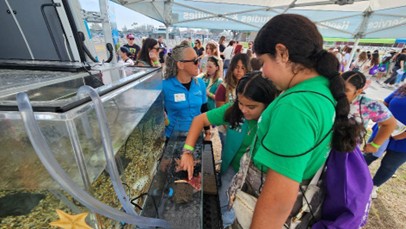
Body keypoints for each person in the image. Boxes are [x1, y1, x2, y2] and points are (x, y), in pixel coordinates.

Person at [249, 14, 363, 228]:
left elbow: (277, 200)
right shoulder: (322, 90)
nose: (263, 73)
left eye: (263, 62)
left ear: (282, 53)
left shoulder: (297, 105)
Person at [179, 72, 280, 227]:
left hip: (260, 179)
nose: (244, 110)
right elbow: (200, 120)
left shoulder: (275, 121)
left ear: (268, 104)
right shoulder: (235, 112)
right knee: (222, 205)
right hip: (233, 169)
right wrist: (187, 151)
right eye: (240, 103)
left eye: (251, 107)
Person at [363, 84, 406, 198]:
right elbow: (386, 103)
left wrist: (403, 134)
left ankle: (374, 186)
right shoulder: (402, 89)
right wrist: (383, 120)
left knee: (389, 165)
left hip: (404, 143)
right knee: (369, 155)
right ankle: (349, 174)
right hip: (383, 130)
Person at [342, 71, 396, 154]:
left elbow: (390, 124)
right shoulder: (329, 96)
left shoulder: (368, 105)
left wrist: (375, 145)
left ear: (359, 91)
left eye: (346, 90)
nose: (339, 92)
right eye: (338, 87)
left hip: (346, 150)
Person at [162, 43, 209, 138]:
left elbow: (204, 109)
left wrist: (207, 131)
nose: (198, 64)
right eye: (195, 61)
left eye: (198, 59)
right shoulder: (164, 86)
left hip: (196, 135)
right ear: (180, 65)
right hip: (173, 137)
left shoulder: (200, 84)